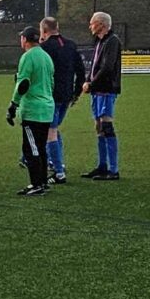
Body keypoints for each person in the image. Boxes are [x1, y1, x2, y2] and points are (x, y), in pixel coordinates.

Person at [9, 25, 57, 197]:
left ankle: (36, 184)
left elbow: (22, 84)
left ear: (25, 39)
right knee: (41, 147)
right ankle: (43, 181)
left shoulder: (27, 57)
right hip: (47, 107)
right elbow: (51, 83)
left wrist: (13, 105)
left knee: (31, 148)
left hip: (33, 110)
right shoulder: (46, 57)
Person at [40, 16, 84, 183]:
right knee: (54, 129)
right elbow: (80, 70)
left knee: (50, 132)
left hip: (50, 96)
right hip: (67, 95)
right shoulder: (71, 45)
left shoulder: (44, 48)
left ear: (44, 30)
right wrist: (77, 92)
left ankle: (59, 172)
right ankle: (55, 162)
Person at [82, 11, 124, 180]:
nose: (90, 26)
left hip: (106, 89)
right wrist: (87, 80)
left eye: (92, 23)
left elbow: (107, 67)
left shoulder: (112, 41)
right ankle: (102, 165)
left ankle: (113, 170)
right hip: (96, 91)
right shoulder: (99, 41)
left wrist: (91, 83)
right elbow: (94, 67)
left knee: (107, 127)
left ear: (101, 24)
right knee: (98, 128)